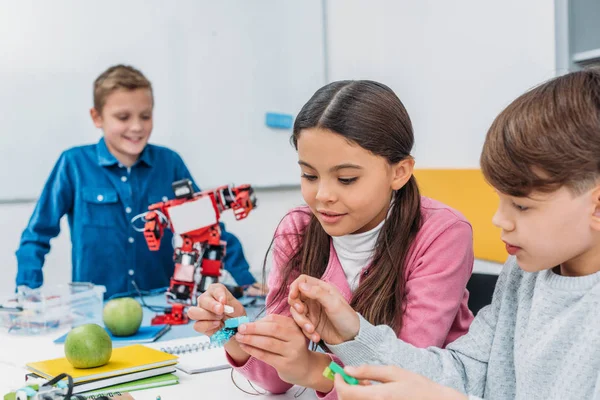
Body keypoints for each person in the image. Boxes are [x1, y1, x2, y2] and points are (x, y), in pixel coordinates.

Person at [286, 70, 600, 400]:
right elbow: (466, 371)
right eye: (500, 198)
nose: (499, 220)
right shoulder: (525, 273)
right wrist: (353, 334)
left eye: (521, 206)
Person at [188, 80, 475, 398]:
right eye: (309, 175)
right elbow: (277, 378)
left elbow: (400, 381)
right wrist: (232, 329)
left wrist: (311, 368)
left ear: (400, 172)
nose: (323, 196)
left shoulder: (443, 234)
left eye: (346, 179)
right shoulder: (298, 229)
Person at [15, 64, 259, 298]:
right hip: (95, 308)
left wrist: (245, 280)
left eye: (145, 116)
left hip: (159, 302)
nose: (136, 127)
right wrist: (27, 291)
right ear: (97, 117)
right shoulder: (73, 164)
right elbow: (37, 235)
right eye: (123, 117)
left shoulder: (169, 164)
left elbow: (207, 228)